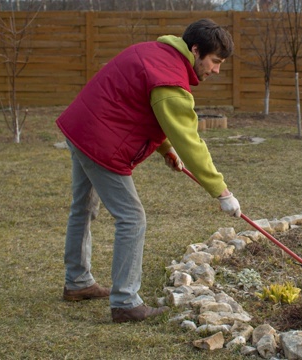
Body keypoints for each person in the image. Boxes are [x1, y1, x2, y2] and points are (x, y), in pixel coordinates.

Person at [56, 19, 241, 323]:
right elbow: (190, 139)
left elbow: (142, 106)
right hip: (100, 139)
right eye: (215, 61)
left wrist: (165, 148)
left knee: (83, 208)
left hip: (81, 126)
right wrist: (222, 191)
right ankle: (125, 302)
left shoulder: (158, 53)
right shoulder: (169, 79)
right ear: (195, 50)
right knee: (132, 218)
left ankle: (77, 282)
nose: (217, 70)